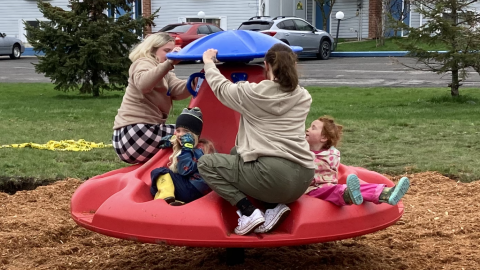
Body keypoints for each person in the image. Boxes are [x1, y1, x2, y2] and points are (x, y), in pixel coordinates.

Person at [197, 43, 315, 236]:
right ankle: (273, 206)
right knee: (238, 152)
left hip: (274, 178)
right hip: (304, 176)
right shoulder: (303, 96)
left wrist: (209, 62)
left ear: (266, 66)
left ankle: (248, 211)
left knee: (206, 164)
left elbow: (221, 87)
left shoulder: (251, 94)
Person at [112, 32, 192, 164]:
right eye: (166, 50)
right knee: (192, 134)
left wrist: (194, 81)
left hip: (131, 136)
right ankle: (187, 174)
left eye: (172, 51)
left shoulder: (164, 70)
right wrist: (169, 63)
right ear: (152, 49)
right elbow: (144, 84)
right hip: (135, 132)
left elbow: (177, 90)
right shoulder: (143, 62)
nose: (170, 54)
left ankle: (164, 172)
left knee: (186, 133)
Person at [305, 115, 410, 206]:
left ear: (323, 137)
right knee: (343, 189)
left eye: (313, 128)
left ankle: (386, 193)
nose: (307, 129)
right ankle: (384, 194)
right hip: (319, 190)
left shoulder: (327, 157)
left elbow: (307, 166)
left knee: (338, 190)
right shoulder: (313, 152)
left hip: (316, 190)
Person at [150, 107, 215, 206]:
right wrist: (172, 141)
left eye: (186, 131)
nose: (180, 134)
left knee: (159, 172)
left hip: (191, 190)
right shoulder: (200, 146)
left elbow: (185, 169)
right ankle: (178, 202)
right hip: (195, 191)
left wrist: (186, 148)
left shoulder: (198, 151)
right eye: (178, 131)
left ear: (195, 134)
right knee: (158, 183)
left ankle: (164, 198)